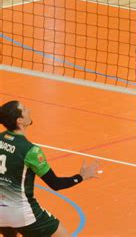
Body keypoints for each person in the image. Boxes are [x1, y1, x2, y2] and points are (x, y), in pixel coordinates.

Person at [0, 101, 100, 237]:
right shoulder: (31, 151)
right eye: (24, 109)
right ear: (20, 121)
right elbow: (55, 184)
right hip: (22, 214)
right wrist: (80, 177)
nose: (29, 109)